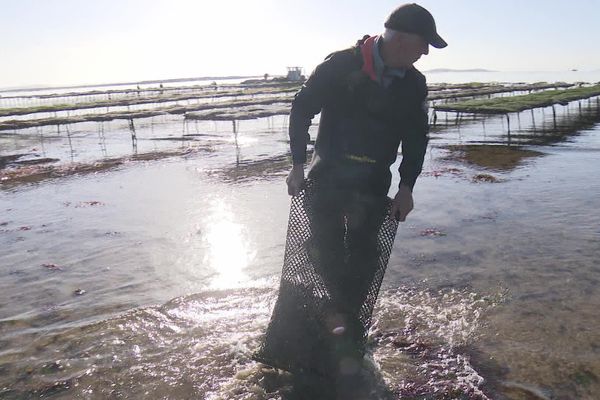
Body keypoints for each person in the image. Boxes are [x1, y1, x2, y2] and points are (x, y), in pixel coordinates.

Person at [256, 3, 447, 394]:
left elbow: (415, 137)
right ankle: (319, 332)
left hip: (373, 185)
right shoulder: (339, 65)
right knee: (325, 258)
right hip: (327, 178)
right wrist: (295, 164)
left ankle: (343, 337)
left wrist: (407, 186)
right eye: (423, 44)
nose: (425, 53)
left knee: (362, 263)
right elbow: (301, 109)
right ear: (402, 39)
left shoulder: (414, 84)